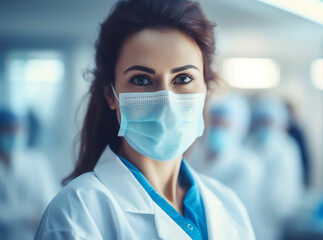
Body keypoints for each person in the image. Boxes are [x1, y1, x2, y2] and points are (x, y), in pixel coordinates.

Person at [35, 0, 256, 239]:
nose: (165, 102)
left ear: (207, 88)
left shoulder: (229, 205)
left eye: (182, 79)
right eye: (141, 79)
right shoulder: (79, 211)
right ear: (111, 93)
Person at [187, 92, 265, 239]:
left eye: (224, 125)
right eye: (215, 123)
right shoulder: (195, 157)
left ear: (238, 128)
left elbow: (234, 208)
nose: (218, 129)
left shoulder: (247, 165)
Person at [247, 97, 303, 240]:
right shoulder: (250, 144)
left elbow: (291, 184)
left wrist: (283, 209)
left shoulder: (287, 147)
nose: (266, 126)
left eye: (270, 122)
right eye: (263, 121)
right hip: (251, 212)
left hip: (274, 216)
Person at [0, 108, 58, 240]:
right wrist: (27, 216)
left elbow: (49, 204)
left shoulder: (37, 162)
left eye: (17, 129)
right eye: (8, 129)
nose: (13, 134)